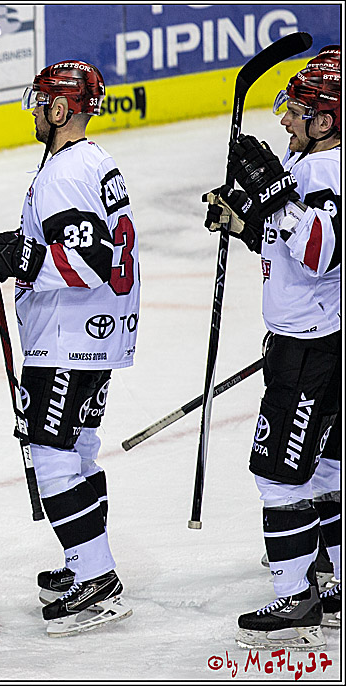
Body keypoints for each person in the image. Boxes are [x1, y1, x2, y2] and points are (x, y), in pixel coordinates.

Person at [0, 60, 140, 637]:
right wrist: (16, 248)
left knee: (52, 454)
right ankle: (85, 562)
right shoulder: (91, 163)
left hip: (70, 337)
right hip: (92, 332)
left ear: (62, 108)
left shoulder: (64, 174)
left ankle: (98, 579)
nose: (35, 109)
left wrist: (19, 258)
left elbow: (89, 262)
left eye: (42, 100)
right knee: (77, 449)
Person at [203, 45, 340, 648]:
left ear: (327, 120)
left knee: (279, 473)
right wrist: (245, 222)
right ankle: (329, 580)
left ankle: (297, 593)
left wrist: (275, 195)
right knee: (328, 465)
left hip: (312, 345)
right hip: (320, 336)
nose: (284, 118)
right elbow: (290, 242)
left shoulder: (326, 172)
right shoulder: (313, 166)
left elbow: (318, 254)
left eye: (297, 109)